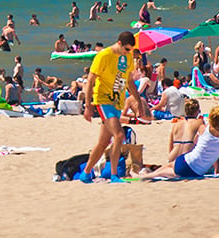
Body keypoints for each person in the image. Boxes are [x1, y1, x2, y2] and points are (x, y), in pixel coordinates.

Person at [79, 31, 143, 183]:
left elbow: (129, 82)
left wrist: (139, 102)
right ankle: (114, 175)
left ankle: (86, 173)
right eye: (127, 49)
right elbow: (90, 82)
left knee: (103, 142)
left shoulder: (127, 57)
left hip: (117, 103)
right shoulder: (103, 55)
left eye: (131, 50)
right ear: (119, 43)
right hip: (103, 100)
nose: (129, 52)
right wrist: (88, 106)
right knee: (119, 135)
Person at [142, 106, 219, 180]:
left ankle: (144, 174)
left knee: (166, 168)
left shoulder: (204, 128)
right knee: (158, 174)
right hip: (192, 169)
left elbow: (195, 141)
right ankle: (143, 176)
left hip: (186, 158)